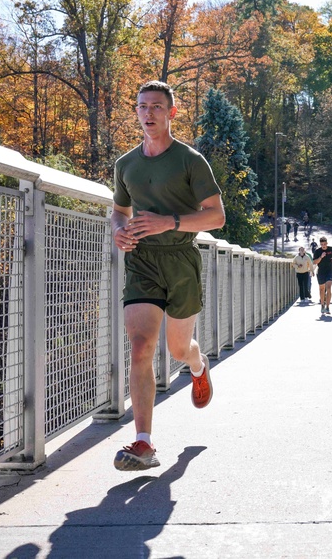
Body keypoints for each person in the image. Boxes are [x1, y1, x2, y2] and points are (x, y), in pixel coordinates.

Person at [111, 79, 226, 471]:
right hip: (142, 261)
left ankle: (197, 365)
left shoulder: (190, 160)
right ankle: (143, 443)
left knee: (178, 350)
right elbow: (120, 211)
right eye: (142, 107)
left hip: (180, 260)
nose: (148, 114)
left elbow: (217, 215)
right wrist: (118, 231)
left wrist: (169, 223)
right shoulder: (125, 164)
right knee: (141, 346)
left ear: (171, 112)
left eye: (157, 107)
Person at [312, 237, 332, 315]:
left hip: (329, 271)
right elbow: (314, 262)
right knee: (322, 289)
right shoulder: (318, 251)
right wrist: (321, 257)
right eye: (322, 244)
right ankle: (322, 306)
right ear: (320, 244)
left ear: (327, 243)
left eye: (324, 244)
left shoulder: (331, 249)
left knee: (328, 288)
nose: (323, 246)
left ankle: (327, 307)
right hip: (321, 272)